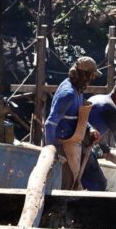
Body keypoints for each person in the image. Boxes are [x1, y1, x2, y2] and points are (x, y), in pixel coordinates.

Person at [44, 56, 101, 190]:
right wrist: (53, 151)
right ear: (84, 75)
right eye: (92, 75)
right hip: (64, 147)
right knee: (65, 188)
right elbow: (50, 124)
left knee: (74, 184)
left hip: (74, 143)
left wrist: (90, 128)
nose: (93, 79)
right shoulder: (68, 93)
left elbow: (77, 115)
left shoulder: (78, 89)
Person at [80, 80, 116, 191]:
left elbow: (96, 128)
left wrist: (105, 148)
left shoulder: (97, 98)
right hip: (82, 148)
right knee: (99, 184)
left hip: (78, 142)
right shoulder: (112, 109)